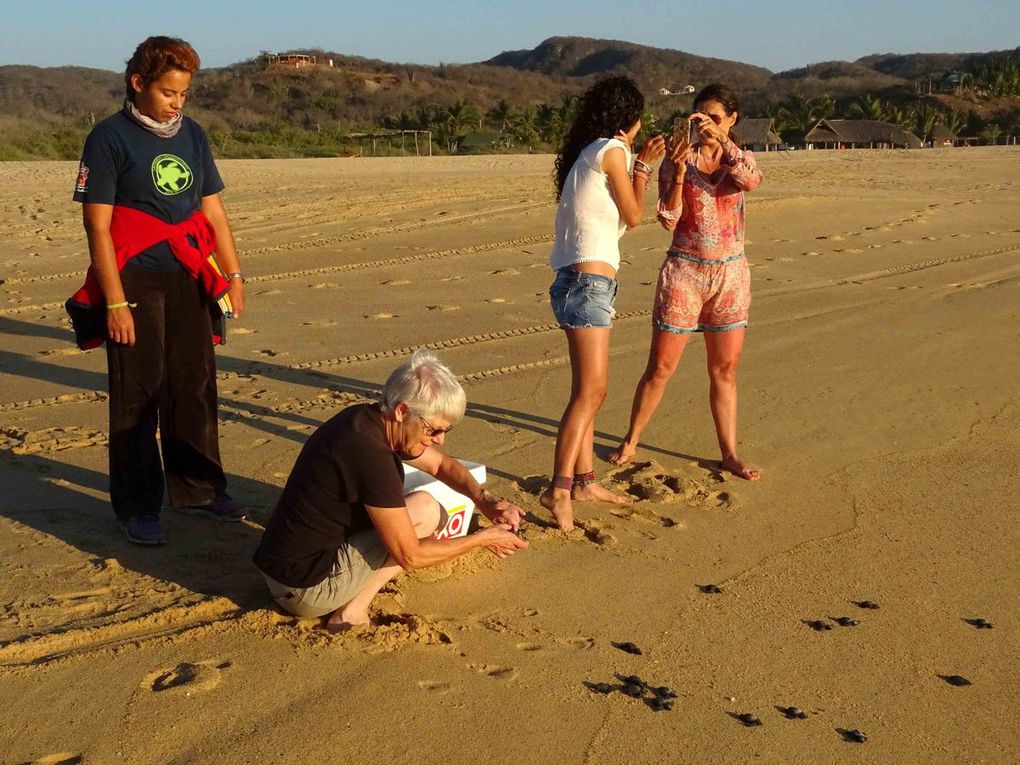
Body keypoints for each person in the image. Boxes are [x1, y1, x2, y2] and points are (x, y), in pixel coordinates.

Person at [67, 36, 247, 545]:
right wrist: (116, 301)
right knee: (137, 393)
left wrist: (233, 275)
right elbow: (97, 228)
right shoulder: (107, 139)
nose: (177, 102)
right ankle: (137, 506)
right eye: (169, 92)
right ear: (138, 83)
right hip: (134, 280)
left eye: (184, 93)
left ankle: (200, 489)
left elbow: (213, 211)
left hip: (190, 274)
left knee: (195, 385)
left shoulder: (192, 136)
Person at [253, 350, 528, 632]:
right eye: (434, 430)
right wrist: (482, 539)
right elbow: (411, 556)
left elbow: (441, 465)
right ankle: (350, 612)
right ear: (402, 411)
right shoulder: (372, 457)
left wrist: (484, 499)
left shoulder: (365, 421)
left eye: (446, 431)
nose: (440, 440)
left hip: (283, 568)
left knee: (425, 508)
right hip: (305, 591)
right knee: (428, 514)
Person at [608, 83, 763, 480]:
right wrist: (678, 172)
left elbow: (750, 180)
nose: (706, 123)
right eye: (701, 115)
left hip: (730, 275)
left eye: (715, 116)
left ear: (732, 119)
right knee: (660, 366)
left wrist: (723, 142)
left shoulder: (740, 157)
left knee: (724, 369)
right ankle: (631, 439)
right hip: (685, 272)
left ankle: (729, 452)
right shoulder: (681, 157)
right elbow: (668, 219)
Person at [539, 76, 666, 532]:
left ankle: (584, 481)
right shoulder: (613, 150)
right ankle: (559, 487)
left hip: (581, 282)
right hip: (586, 285)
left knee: (586, 392)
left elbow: (619, 222)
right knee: (592, 393)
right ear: (630, 119)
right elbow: (634, 215)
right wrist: (645, 165)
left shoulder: (589, 152)